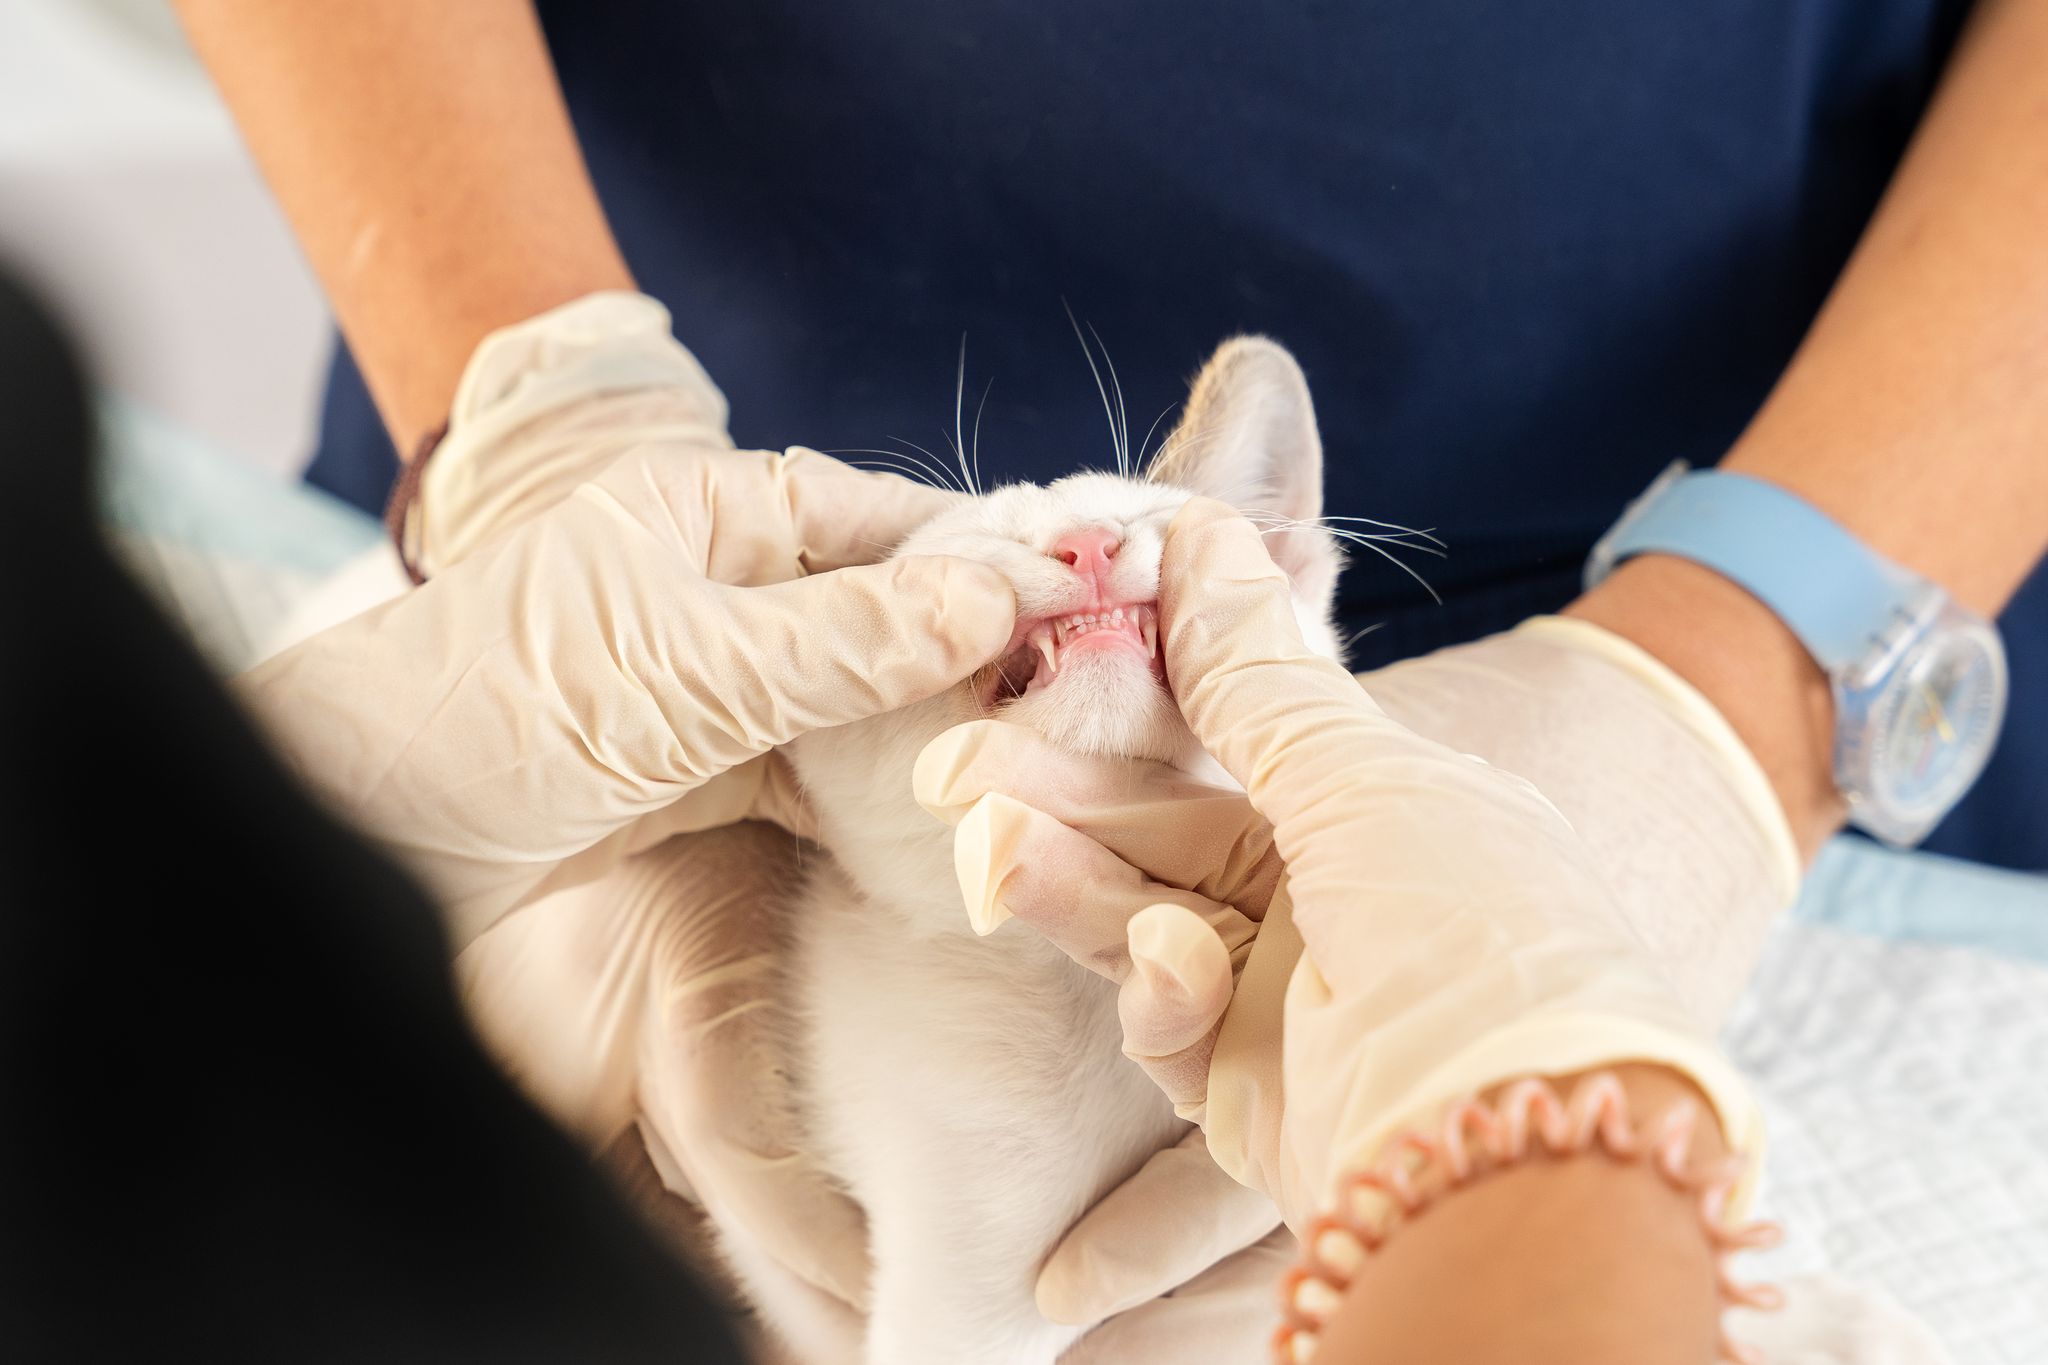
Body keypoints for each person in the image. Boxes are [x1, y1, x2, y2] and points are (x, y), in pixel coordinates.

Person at [168, 1, 2048, 1360]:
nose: (1080, 567)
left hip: (1828, 445)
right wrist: (547, 418)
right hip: (595, 335)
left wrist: (1740, 677)